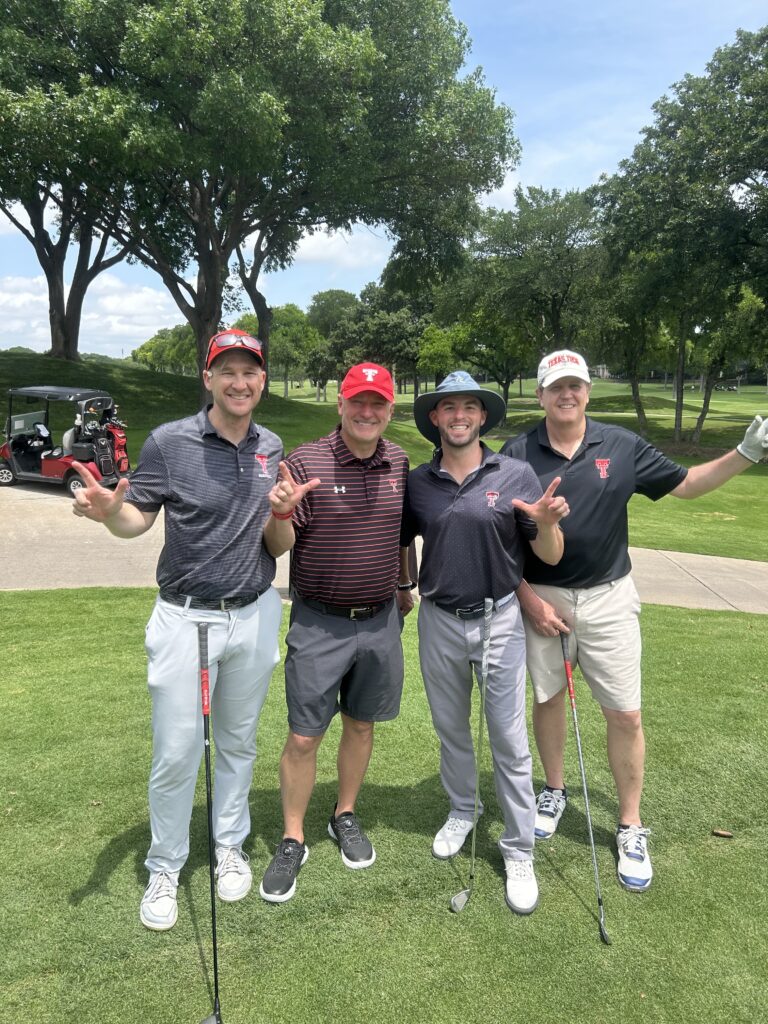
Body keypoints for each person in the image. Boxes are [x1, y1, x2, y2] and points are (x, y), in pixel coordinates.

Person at [71, 328, 313, 931]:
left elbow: (275, 544)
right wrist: (109, 515)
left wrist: (282, 514)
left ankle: (228, 845)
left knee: (237, 743)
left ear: (262, 380)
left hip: (255, 613)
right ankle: (165, 864)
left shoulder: (270, 445)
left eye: (250, 371)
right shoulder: (169, 442)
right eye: (226, 370)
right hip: (185, 617)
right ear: (207, 378)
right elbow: (136, 519)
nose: (239, 382)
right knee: (179, 751)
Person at [502, 348, 768, 892]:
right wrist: (529, 599)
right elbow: (502, 545)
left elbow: (687, 484)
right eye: (556, 387)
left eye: (575, 385)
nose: (567, 394)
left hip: (608, 598)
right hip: (543, 598)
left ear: (587, 392)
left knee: (624, 714)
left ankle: (629, 824)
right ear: (540, 394)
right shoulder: (517, 452)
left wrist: (745, 453)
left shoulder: (619, 445)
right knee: (548, 700)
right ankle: (553, 790)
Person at [400, 371, 569, 915]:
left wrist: (545, 523)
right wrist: (405, 585)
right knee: (451, 730)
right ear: (435, 418)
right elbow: (403, 538)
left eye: (468, 407)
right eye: (448, 408)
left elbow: (548, 556)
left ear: (481, 417)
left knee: (508, 738)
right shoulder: (419, 480)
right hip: (439, 619)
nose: (458, 416)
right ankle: (463, 809)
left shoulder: (515, 473)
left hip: (498, 619)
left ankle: (519, 848)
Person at [259, 363, 413, 904]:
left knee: (362, 724)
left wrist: (405, 584)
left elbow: (399, 532)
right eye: (358, 402)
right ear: (340, 406)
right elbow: (279, 546)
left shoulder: (399, 460)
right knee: (304, 736)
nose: (367, 412)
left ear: (390, 410)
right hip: (319, 621)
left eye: (378, 404)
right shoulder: (304, 461)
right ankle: (292, 836)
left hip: (378, 621)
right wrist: (280, 513)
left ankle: (343, 814)